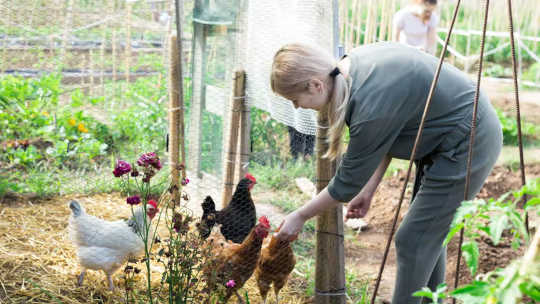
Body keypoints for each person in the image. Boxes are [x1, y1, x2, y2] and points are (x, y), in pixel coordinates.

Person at [272, 42, 502, 304]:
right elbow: (388, 134)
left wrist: (300, 216)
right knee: (426, 235)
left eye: (294, 100)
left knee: (413, 240)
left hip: (468, 141)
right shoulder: (355, 68)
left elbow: (345, 185)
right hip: (448, 139)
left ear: (315, 85)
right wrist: (369, 190)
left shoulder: (369, 103)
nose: (297, 108)